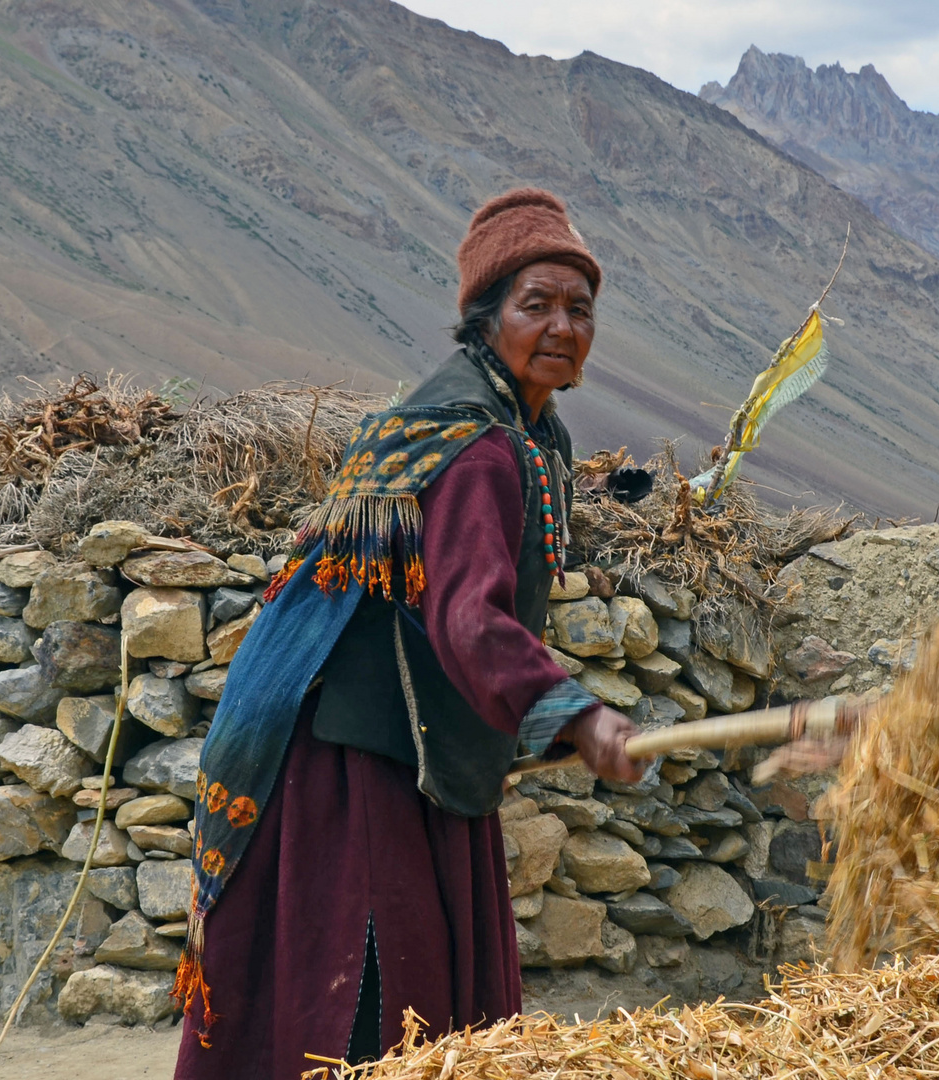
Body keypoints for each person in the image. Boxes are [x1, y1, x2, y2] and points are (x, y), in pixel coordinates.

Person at [173, 189, 646, 1079]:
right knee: (370, 1009)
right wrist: (574, 715)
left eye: (578, 310)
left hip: (400, 744)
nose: (560, 327)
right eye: (533, 304)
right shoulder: (476, 448)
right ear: (483, 320)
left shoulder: (525, 429)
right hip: (358, 765)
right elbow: (468, 616)